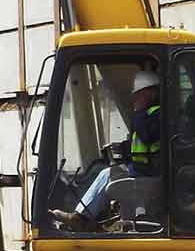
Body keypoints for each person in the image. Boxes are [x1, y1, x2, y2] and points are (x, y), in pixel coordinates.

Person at [69, 69, 165, 227]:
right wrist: (123, 148)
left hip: (150, 171)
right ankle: (83, 215)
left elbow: (147, 136)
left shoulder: (158, 114)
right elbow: (141, 141)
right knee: (104, 171)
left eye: (140, 94)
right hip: (143, 168)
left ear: (151, 92)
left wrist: (139, 112)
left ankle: (82, 217)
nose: (136, 98)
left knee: (107, 175)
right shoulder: (149, 114)